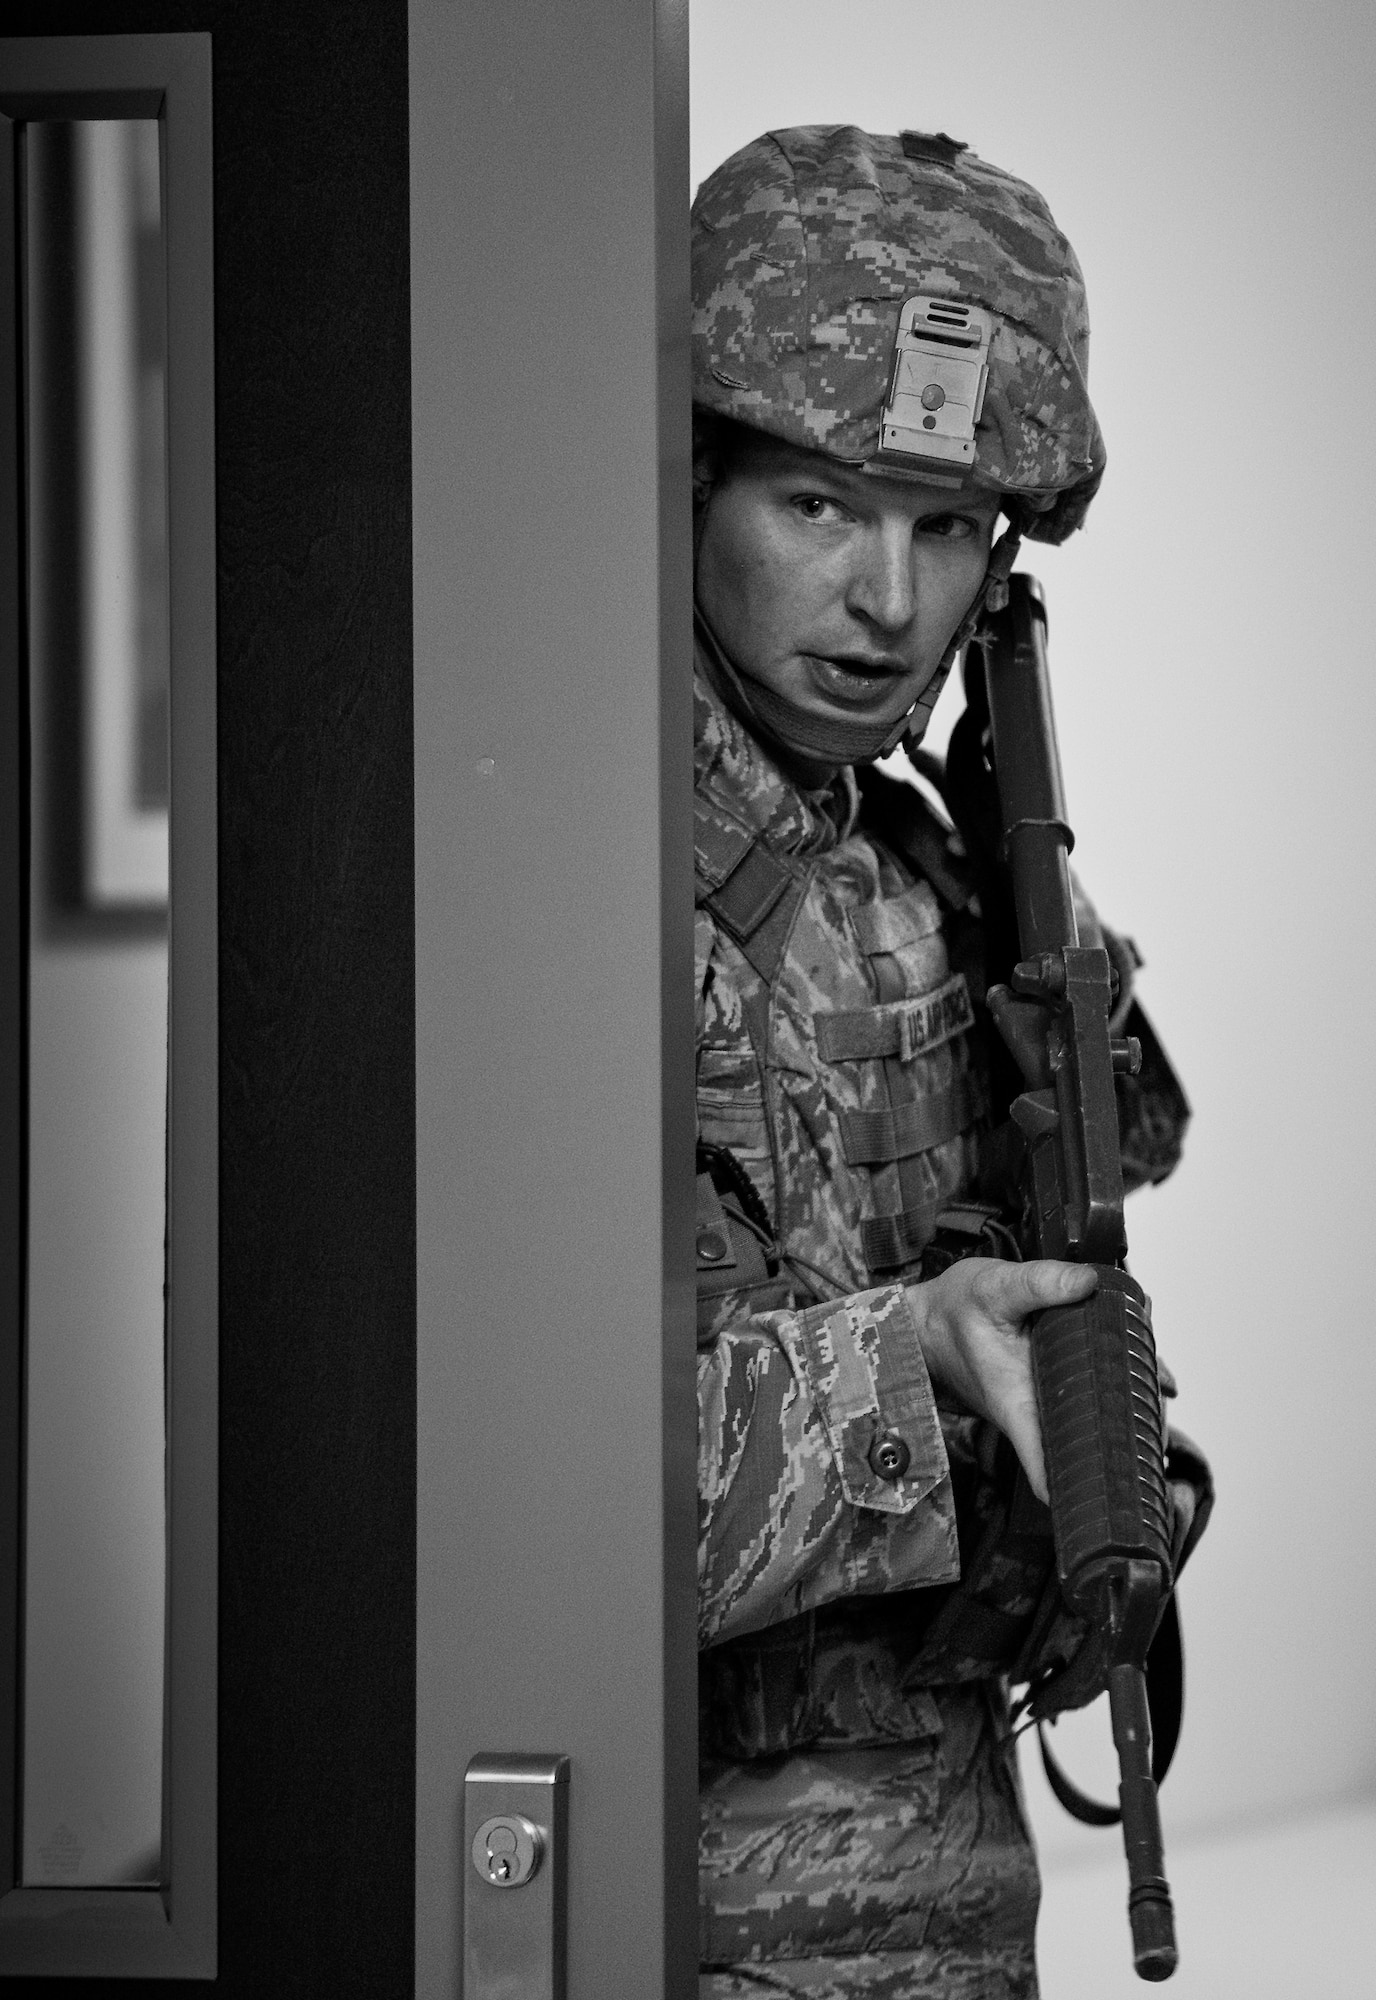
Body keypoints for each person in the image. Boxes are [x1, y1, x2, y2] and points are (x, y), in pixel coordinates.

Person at [692, 125, 1185, 1999]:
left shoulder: (929, 880)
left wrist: (1106, 1456)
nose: (891, 603)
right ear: (693, 480)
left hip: (948, 1903)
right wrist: (918, 1363)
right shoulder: (549, 896)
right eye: (821, 505)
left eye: (948, 528)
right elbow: (502, 1469)